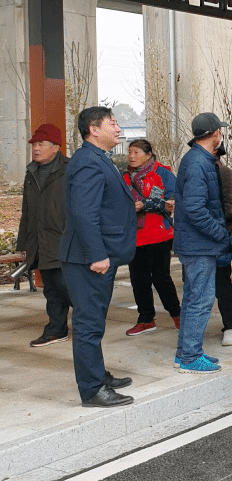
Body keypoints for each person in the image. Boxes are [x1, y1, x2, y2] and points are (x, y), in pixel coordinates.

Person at [58, 107, 136, 407]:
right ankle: (92, 389)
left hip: (93, 256)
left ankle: (97, 375)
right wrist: (98, 254)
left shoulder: (97, 158)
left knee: (94, 321)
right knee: (88, 323)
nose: (117, 129)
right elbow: (84, 212)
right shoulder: (87, 162)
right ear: (94, 129)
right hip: (87, 258)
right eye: (112, 123)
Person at [174, 112, 232, 374]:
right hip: (199, 245)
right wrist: (220, 232)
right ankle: (190, 356)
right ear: (214, 134)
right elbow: (196, 209)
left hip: (195, 243)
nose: (222, 135)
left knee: (192, 299)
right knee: (201, 299)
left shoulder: (199, 160)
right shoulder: (198, 163)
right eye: (220, 131)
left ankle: (185, 352)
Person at [18, 123, 72, 348]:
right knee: (51, 288)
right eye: (34, 144)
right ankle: (56, 329)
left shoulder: (70, 170)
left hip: (64, 241)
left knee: (68, 287)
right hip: (40, 241)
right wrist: (24, 243)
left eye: (41, 144)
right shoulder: (31, 173)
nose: (36, 148)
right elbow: (27, 210)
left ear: (56, 147)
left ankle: (88, 325)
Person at [123, 139, 180, 336]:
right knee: (138, 280)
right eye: (129, 152)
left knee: (161, 278)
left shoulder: (162, 173)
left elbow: (172, 200)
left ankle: (177, 315)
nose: (131, 156)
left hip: (158, 235)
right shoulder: (123, 176)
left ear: (148, 154)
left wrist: (145, 205)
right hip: (134, 236)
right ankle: (146, 318)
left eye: (136, 152)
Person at [214, 144, 232, 346]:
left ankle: (230, 326)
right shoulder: (195, 172)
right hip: (199, 240)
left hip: (221, 236)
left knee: (222, 283)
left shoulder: (226, 174)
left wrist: (208, 222)